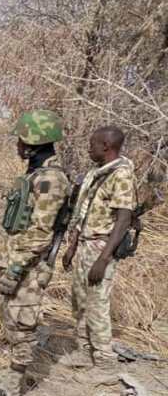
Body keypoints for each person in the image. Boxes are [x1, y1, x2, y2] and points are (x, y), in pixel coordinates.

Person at [0, 110, 70, 380]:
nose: (18, 146)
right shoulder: (35, 175)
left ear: (34, 142)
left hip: (31, 265)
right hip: (18, 258)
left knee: (22, 322)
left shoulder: (51, 180)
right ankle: (16, 373)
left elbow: (40, 232)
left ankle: (16, 382)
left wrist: (15, 269)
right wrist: (2, 255)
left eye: (21, 141)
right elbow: (21, 225)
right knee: (11, 318)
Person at [61, 126, 135, 371]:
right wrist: (72, 246)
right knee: (80, 299)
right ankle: (84, 350)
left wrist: (103, 259)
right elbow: (83, 211)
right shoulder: (97, 172)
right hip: (84, 243)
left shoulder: (121, 174)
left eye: (92, 144)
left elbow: (124, 218)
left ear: (106, 146)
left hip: (100, 245)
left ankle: (104, 361)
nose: (88, 148)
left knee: (97, 303)